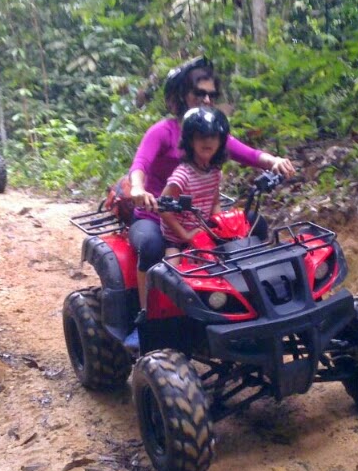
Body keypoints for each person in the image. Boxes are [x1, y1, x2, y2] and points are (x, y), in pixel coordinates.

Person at [126, 56, 296, 331]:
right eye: (199, 93)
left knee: (255, 224)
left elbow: (249, 154)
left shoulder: (212, 132)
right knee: (152, 247)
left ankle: (250, 301)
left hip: (198, 215)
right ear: (181, 95)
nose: (206, 99)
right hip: (155, 212)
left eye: (211, 94)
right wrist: (137, 188)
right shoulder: (162, 132)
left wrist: (274, 160)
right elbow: (140, 165)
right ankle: (147, 321)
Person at [159, 106, 230, 258]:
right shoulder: (182, 176)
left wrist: (219, 225)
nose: (208, 141)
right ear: (190, 141)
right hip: (177, 237)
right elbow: (163, 207)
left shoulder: (215, 172)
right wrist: (185, 235)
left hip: (203, 231)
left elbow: (215, 202)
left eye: (214, 137)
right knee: (173, 273)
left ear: (221, 141)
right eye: (201, 137)